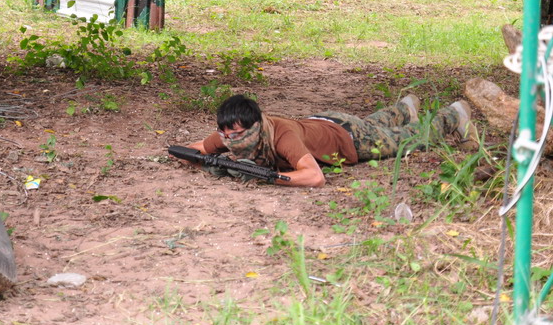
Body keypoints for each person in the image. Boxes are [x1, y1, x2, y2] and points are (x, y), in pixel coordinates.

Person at [184, 94, 478, 187]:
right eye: (225, 135)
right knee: (371, 124)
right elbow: (196, 149)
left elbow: (315, 177)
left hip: (348, 138)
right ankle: (404, 108)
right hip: (325, 122)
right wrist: (206, 160)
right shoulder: (230, 133)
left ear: (256, 126)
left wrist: (269, 177)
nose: (231, 141)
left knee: (409, 139)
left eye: (237, 135)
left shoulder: (282, 137)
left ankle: (454, 114)